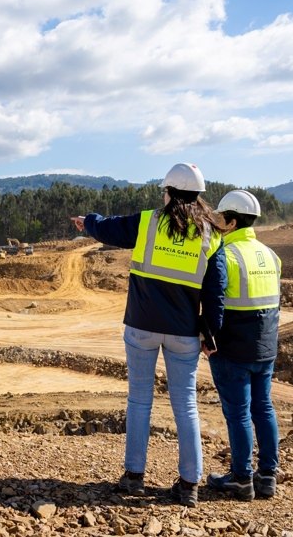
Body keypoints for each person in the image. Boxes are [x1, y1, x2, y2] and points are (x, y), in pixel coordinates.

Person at [70, 162, 226, 507]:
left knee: (140, 400)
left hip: (141, 325)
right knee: (185, 405)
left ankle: (134, 477)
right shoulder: (211, 236)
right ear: (199, 198)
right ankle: (189, 485)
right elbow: (216, 292)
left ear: (167, 193)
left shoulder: (148, 222)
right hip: (184, 332)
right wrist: (210, 333)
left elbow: (110, 229)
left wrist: (89, 221)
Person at [205, 189, 282, 501]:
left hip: (233, 348)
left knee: (238, 414)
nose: (219, 224)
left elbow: (216, 300)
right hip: (266, 346)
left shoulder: (226, 255)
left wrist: (207, 336)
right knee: (263, 408)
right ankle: (267, 477)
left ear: (232, 221)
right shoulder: (271, 255)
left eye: (222, 219)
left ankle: (241, 478)